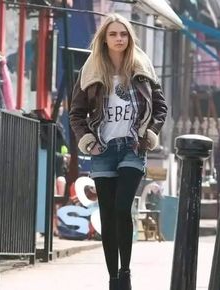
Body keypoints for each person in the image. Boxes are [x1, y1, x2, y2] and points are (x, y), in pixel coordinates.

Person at [69, 13, 167, 290]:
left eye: (123, 34)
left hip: (133, 146)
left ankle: (126, 271)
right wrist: (87, 139)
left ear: (129, 38)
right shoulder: (91, 71)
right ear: (105, 38)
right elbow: (76, 113)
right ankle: (114, 278)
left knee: (122, 207)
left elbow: (160, 107)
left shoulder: (141, 66)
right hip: (103, 149)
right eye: (113, 34)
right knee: (108, 214)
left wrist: (151, 133)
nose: (119, 39)